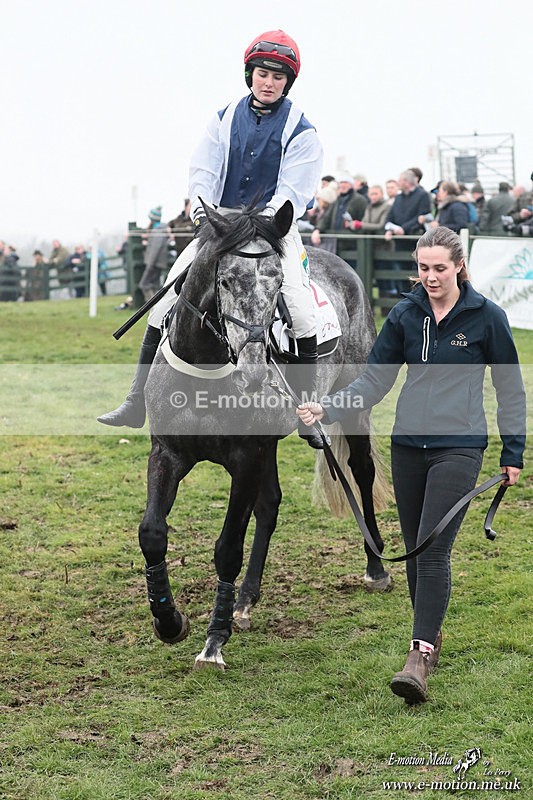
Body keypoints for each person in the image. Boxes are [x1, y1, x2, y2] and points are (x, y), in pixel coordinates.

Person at [296, 225, 525, 704]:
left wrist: (513, 453)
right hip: (407, 448)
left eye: (439, 268)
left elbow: (510, 390)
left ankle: (417, 657)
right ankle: (431, 636)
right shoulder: (405, 314)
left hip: (459, 447)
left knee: (433, 549)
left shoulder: (488, 318)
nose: (431, 277)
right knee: (416, 554)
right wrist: (328, 407)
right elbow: (373, 382)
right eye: (423, 268)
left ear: (459, 265)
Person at [98, 30, 325, 448]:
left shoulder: (302, 130)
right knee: (162, 302)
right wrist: (203, 210)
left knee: (302, 310)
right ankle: (135, 401)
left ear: (287, 82)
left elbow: (295, 188)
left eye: (277, 76)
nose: (268, 81)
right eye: (262, 73)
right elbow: (203, 168)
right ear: (250, 74)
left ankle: (308, 411)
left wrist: (265, 223)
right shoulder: (221, 118)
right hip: (221, 226)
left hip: (274, 229)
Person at [384, 169, 431, 293]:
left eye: (400, 180)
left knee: (417, 272)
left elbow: (422, 217)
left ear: (406, 181)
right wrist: (391, 228)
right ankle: (404, 300)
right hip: (399, 242)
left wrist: (404, 229)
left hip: (415, 241)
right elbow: (390, 217)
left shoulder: (422, 195)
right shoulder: (398, 198)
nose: (398, 182)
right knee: (401, 274)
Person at [138, 207, 170, 301]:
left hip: (154, 263)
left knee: (144, 284)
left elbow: (156, 249)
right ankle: (157, 306)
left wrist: (150, 264)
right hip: (158, 263)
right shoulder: (160, 229)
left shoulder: (157, 231)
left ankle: (153, 306)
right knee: (155, 285)